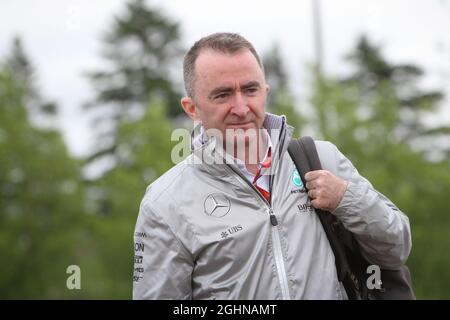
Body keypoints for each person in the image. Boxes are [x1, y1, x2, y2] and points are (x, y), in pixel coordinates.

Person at [132, 32, 412, 299]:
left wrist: (346, 199)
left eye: (250, 90)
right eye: (222, 95)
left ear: (265, 91)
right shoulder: (164, 202)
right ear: (191, 109)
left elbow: (396, 248)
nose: (241, 107)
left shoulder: (319, 159)